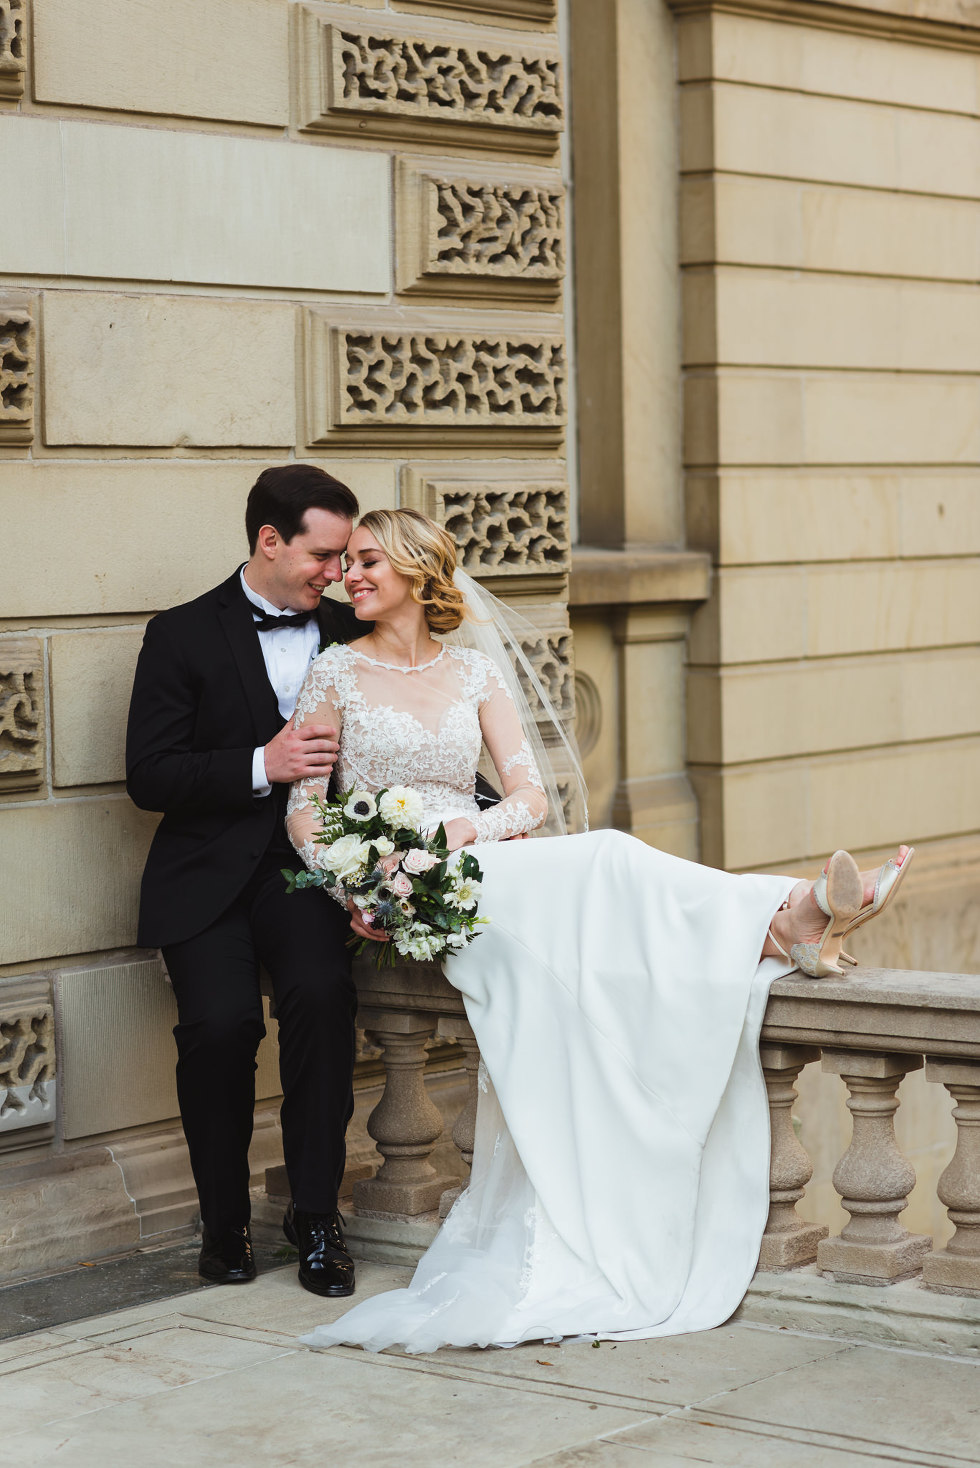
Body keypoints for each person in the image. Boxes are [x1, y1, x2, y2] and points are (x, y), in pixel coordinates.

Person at [285, 508, 914, 1352]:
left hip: (475, 858)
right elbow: (305, 818)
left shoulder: (471, 674)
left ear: (414, 570)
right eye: (348, 562)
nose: (348, 576)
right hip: (410, 886)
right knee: (608, 860)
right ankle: (788, 916)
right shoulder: (333, 673)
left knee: (607, 861)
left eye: (367, 560)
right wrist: (367, 880)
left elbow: (529, 797)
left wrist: (461, 831)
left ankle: (790, 917)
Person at [126, 464, 364, 1297]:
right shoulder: (181, 633)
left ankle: (317, 1216)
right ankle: (223, 1222)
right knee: (221, 1029)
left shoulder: (352, 632)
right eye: (325, 555)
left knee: (322, 1000)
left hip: (307, 875)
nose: (339, 574)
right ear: (270, 541)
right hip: (205, 877)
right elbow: (149, 775)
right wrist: (261, 764)